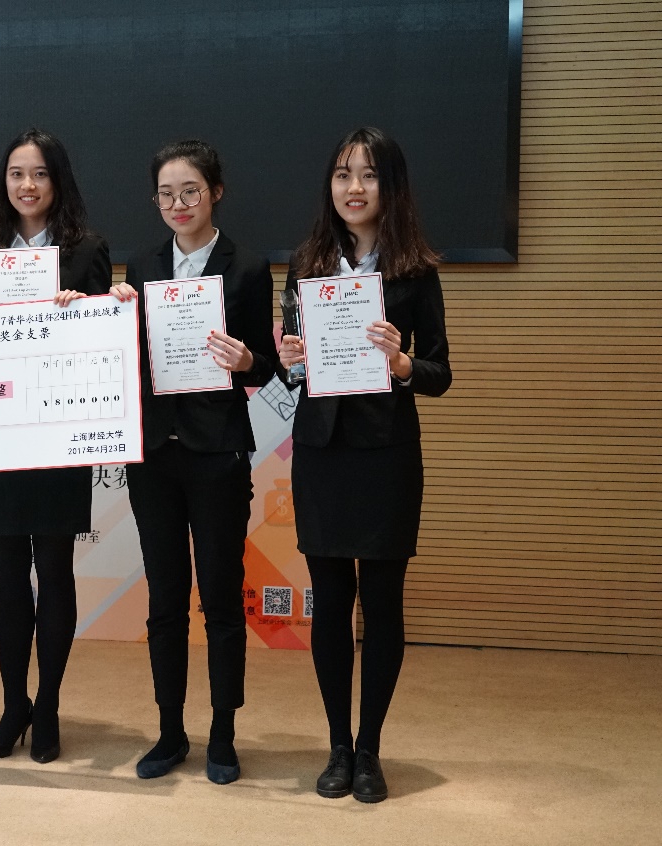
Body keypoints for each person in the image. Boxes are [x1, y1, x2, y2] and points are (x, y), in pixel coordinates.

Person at [278, 126, 451, 803]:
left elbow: (439, 372)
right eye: (342, 174)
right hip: (321, 452)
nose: (354, 188)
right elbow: (292, 368)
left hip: (386, 455)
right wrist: (290, 362)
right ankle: (337, 747)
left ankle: (370, 748)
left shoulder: (415, 269)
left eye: (369, 175)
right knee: (329, 603)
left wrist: (403, 362)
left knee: (381, 603)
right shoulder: (306, 263)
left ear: (390, 186)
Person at [110, 139, 276, 784]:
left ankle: (223, 733)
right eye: (166, 194)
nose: (178, 204)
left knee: (221, 599)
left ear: (215, 192)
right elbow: (128, 353)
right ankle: (170, 731)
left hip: (217, 453)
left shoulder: (247, 267)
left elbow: (265, 365)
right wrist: (112, 315)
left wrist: (247, 361)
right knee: (165, 600)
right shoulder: (143, 265)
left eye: (190, 191)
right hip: (154, 453)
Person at [0, 128, 113, 764]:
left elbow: (108, 345)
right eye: (17, 174)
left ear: (59, 181)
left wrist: (84, 313)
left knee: (53, 572)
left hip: (58, 433)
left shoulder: (88, 250)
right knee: (5, 574)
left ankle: (47, 705)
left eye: (40, 174)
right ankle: (12, 705)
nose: (27, 186)